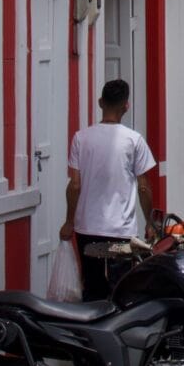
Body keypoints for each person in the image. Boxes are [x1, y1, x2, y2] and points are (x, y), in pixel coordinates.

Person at [64, 79, 157, 299]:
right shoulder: (134, 140)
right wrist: (150, 222)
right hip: (120, 232)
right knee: (120, 288)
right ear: (126, 106)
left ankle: (90, 329)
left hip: (87, 230)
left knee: (92, 287)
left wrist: (69, 221)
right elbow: (143, 187)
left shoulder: (81, 138)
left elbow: (74, 185)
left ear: (100, 102)